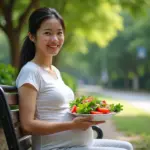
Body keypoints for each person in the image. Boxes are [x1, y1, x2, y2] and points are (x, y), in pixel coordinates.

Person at [16, 7, 133, 150]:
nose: (55, 39)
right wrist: (72, 125)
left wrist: (88, 116)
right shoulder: (30, 72)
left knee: (127, 146)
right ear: (32, 36)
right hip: (54, 148)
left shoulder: (55, 72)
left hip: (75, 145)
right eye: (47, 33)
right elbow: (27, 125)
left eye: (59, 33)